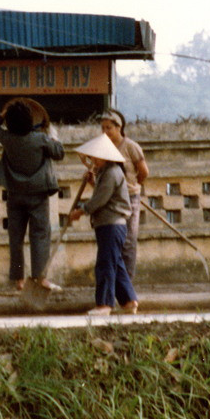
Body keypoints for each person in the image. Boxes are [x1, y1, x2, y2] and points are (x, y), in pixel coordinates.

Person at [0, 98, 65, 294]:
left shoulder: (7, 138)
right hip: (38, 195)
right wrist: (53, 136)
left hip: (14, 194)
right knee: (40, 235)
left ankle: (19, 280)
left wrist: (3, 114)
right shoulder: (40, 139)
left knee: (16, 238)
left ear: (10, 122)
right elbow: (59, 153)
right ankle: (40, 277)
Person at [67, 134, 138, 315]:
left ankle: (104, 304)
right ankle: (129, 301)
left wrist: (81, 211)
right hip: (108, 224)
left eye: (95, 157)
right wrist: (93, 182)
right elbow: (103, 193)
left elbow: (100, 199)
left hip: (112, 224)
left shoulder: (112, 173)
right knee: (116, 263)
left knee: (105, 263)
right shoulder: (106, 173)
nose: (92, 160)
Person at [98, 110, 148, 280]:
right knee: (113, 241)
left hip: (130, 198)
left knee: (128, 241)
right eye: (103, 128)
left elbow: (143, 172)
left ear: (119, 127)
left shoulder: (130, 146)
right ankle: (116, 282)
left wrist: (133, 187)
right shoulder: (103, 149)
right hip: (110, 200)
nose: (105, 131)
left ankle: (128, 282)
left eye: (109, 127)